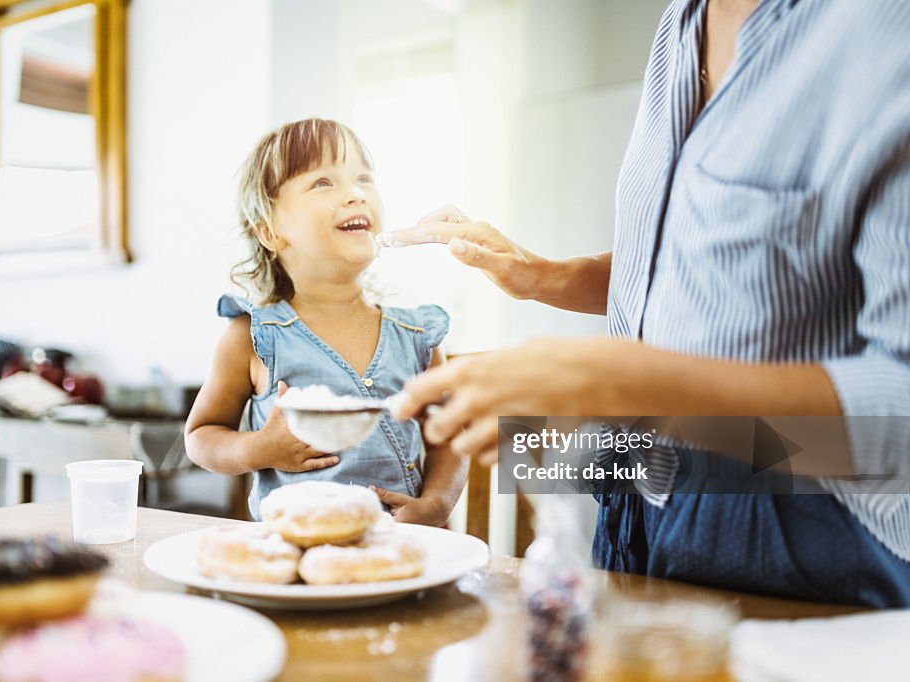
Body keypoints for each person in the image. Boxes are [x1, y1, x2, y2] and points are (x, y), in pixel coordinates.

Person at [382, 0, 910, 607]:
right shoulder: (677, 27)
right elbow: (694, 271)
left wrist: (620, 383)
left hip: (803, 520)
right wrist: (541, 277)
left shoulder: (883, 28)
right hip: (638, 479)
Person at [186, 118, 466, 524]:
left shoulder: (418, 337)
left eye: (364, 178)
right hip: (295, 559)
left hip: (402, 553)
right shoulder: (252, 337)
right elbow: (200, 437)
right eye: (322, 183)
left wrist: (436, 505)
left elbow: (449, 438)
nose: (355, 194)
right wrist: (259, 449)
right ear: (269, 231)